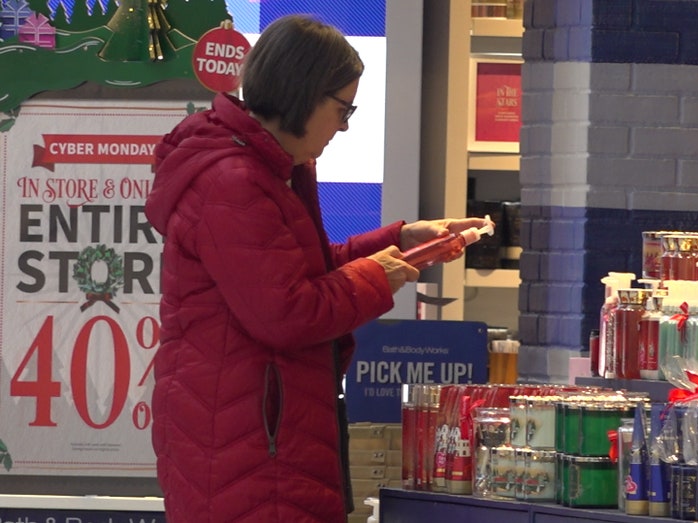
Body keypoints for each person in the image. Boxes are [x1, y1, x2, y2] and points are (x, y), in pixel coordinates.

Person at [144, 14, 488, 522]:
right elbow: (286, 311)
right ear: (301, 92)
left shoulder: (260, 168)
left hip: (257, 432)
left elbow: (296, 272)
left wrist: (398, 240)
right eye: (342, 108)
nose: (345, 126)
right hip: (251, 443)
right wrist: (378, 275)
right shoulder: (233, 182)